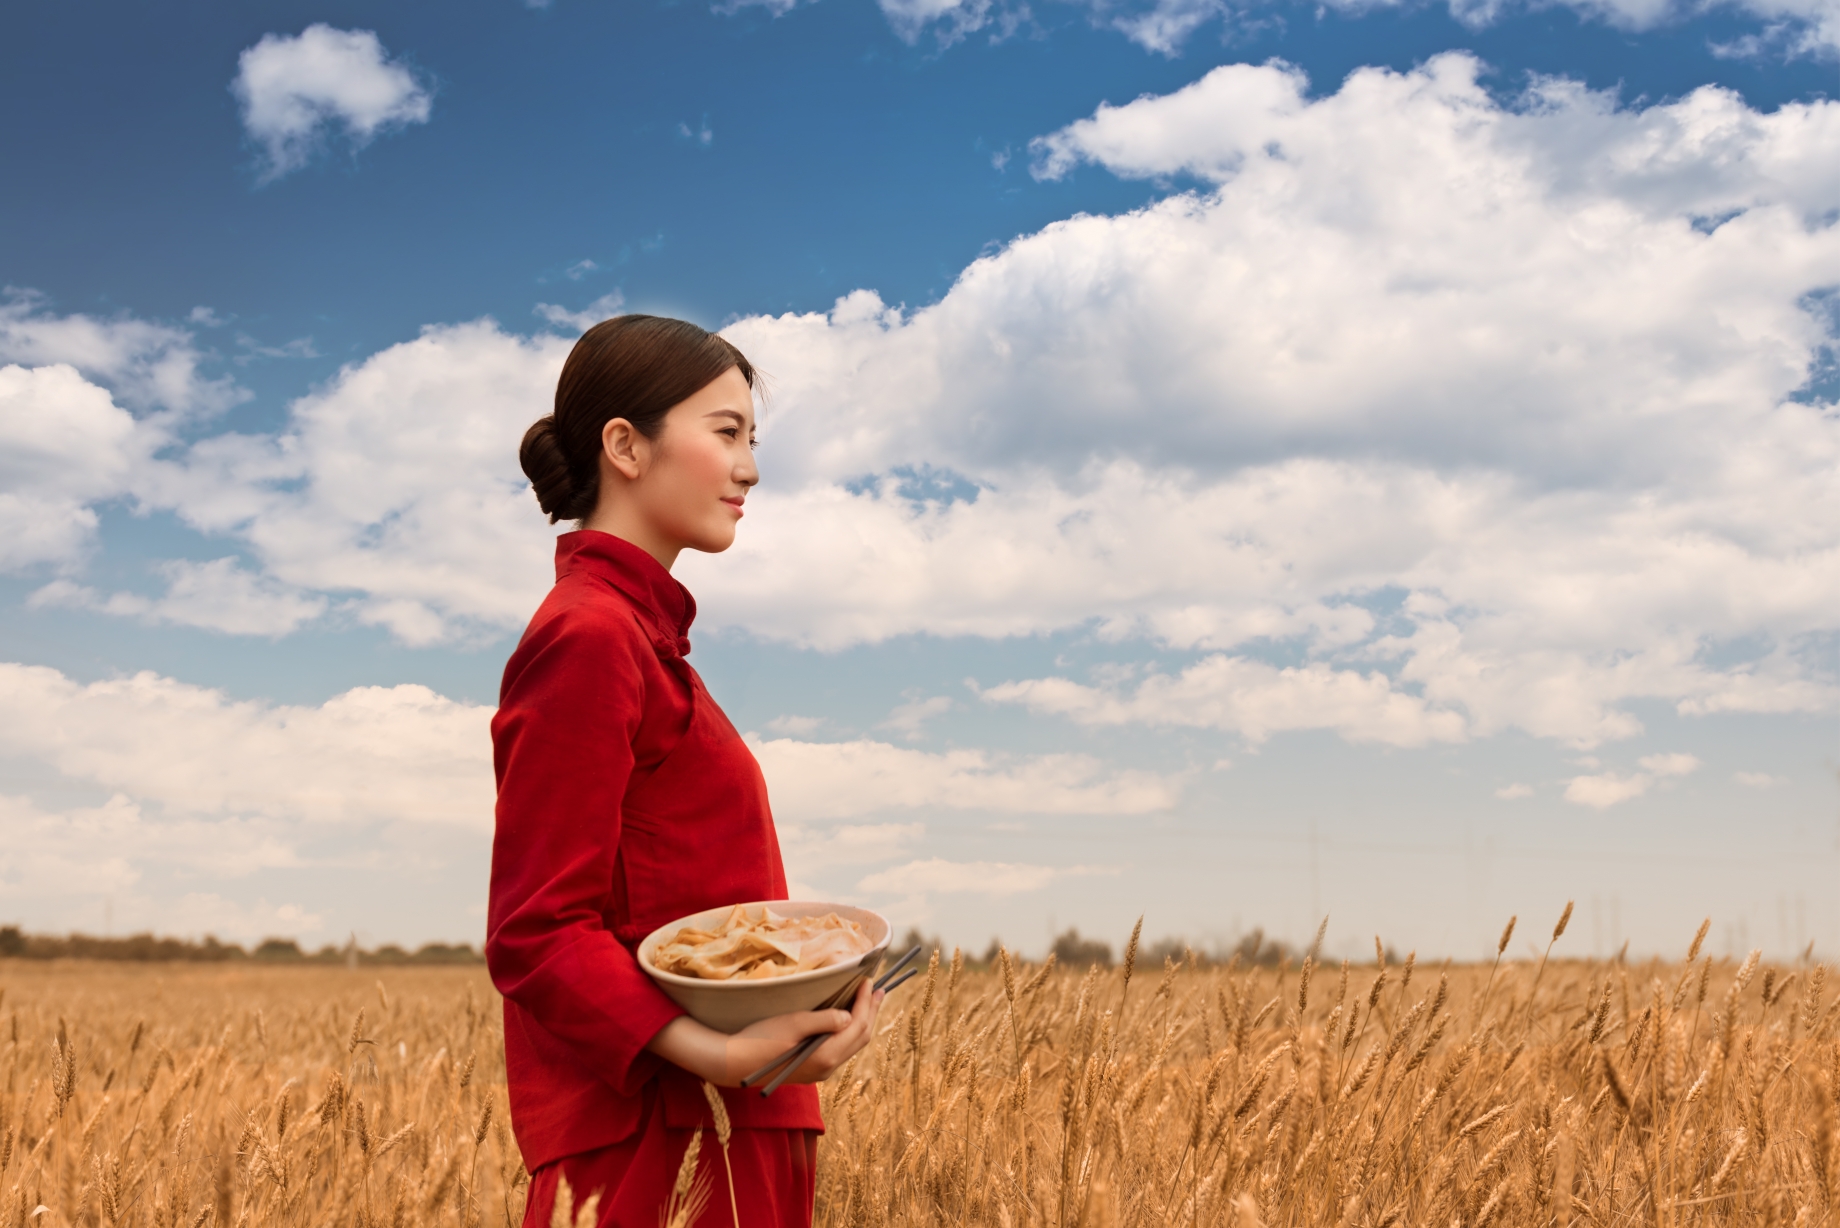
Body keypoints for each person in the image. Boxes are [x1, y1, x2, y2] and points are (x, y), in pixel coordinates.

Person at [486, 315, 883, 1227]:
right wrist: (719, 1055)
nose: (750, 468)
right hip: (664, 1135)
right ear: (625, 445)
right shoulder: (588, 637)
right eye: (726, 433)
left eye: (753, 439)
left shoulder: (647, 643)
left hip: (734, 1121)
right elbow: (535, 930)